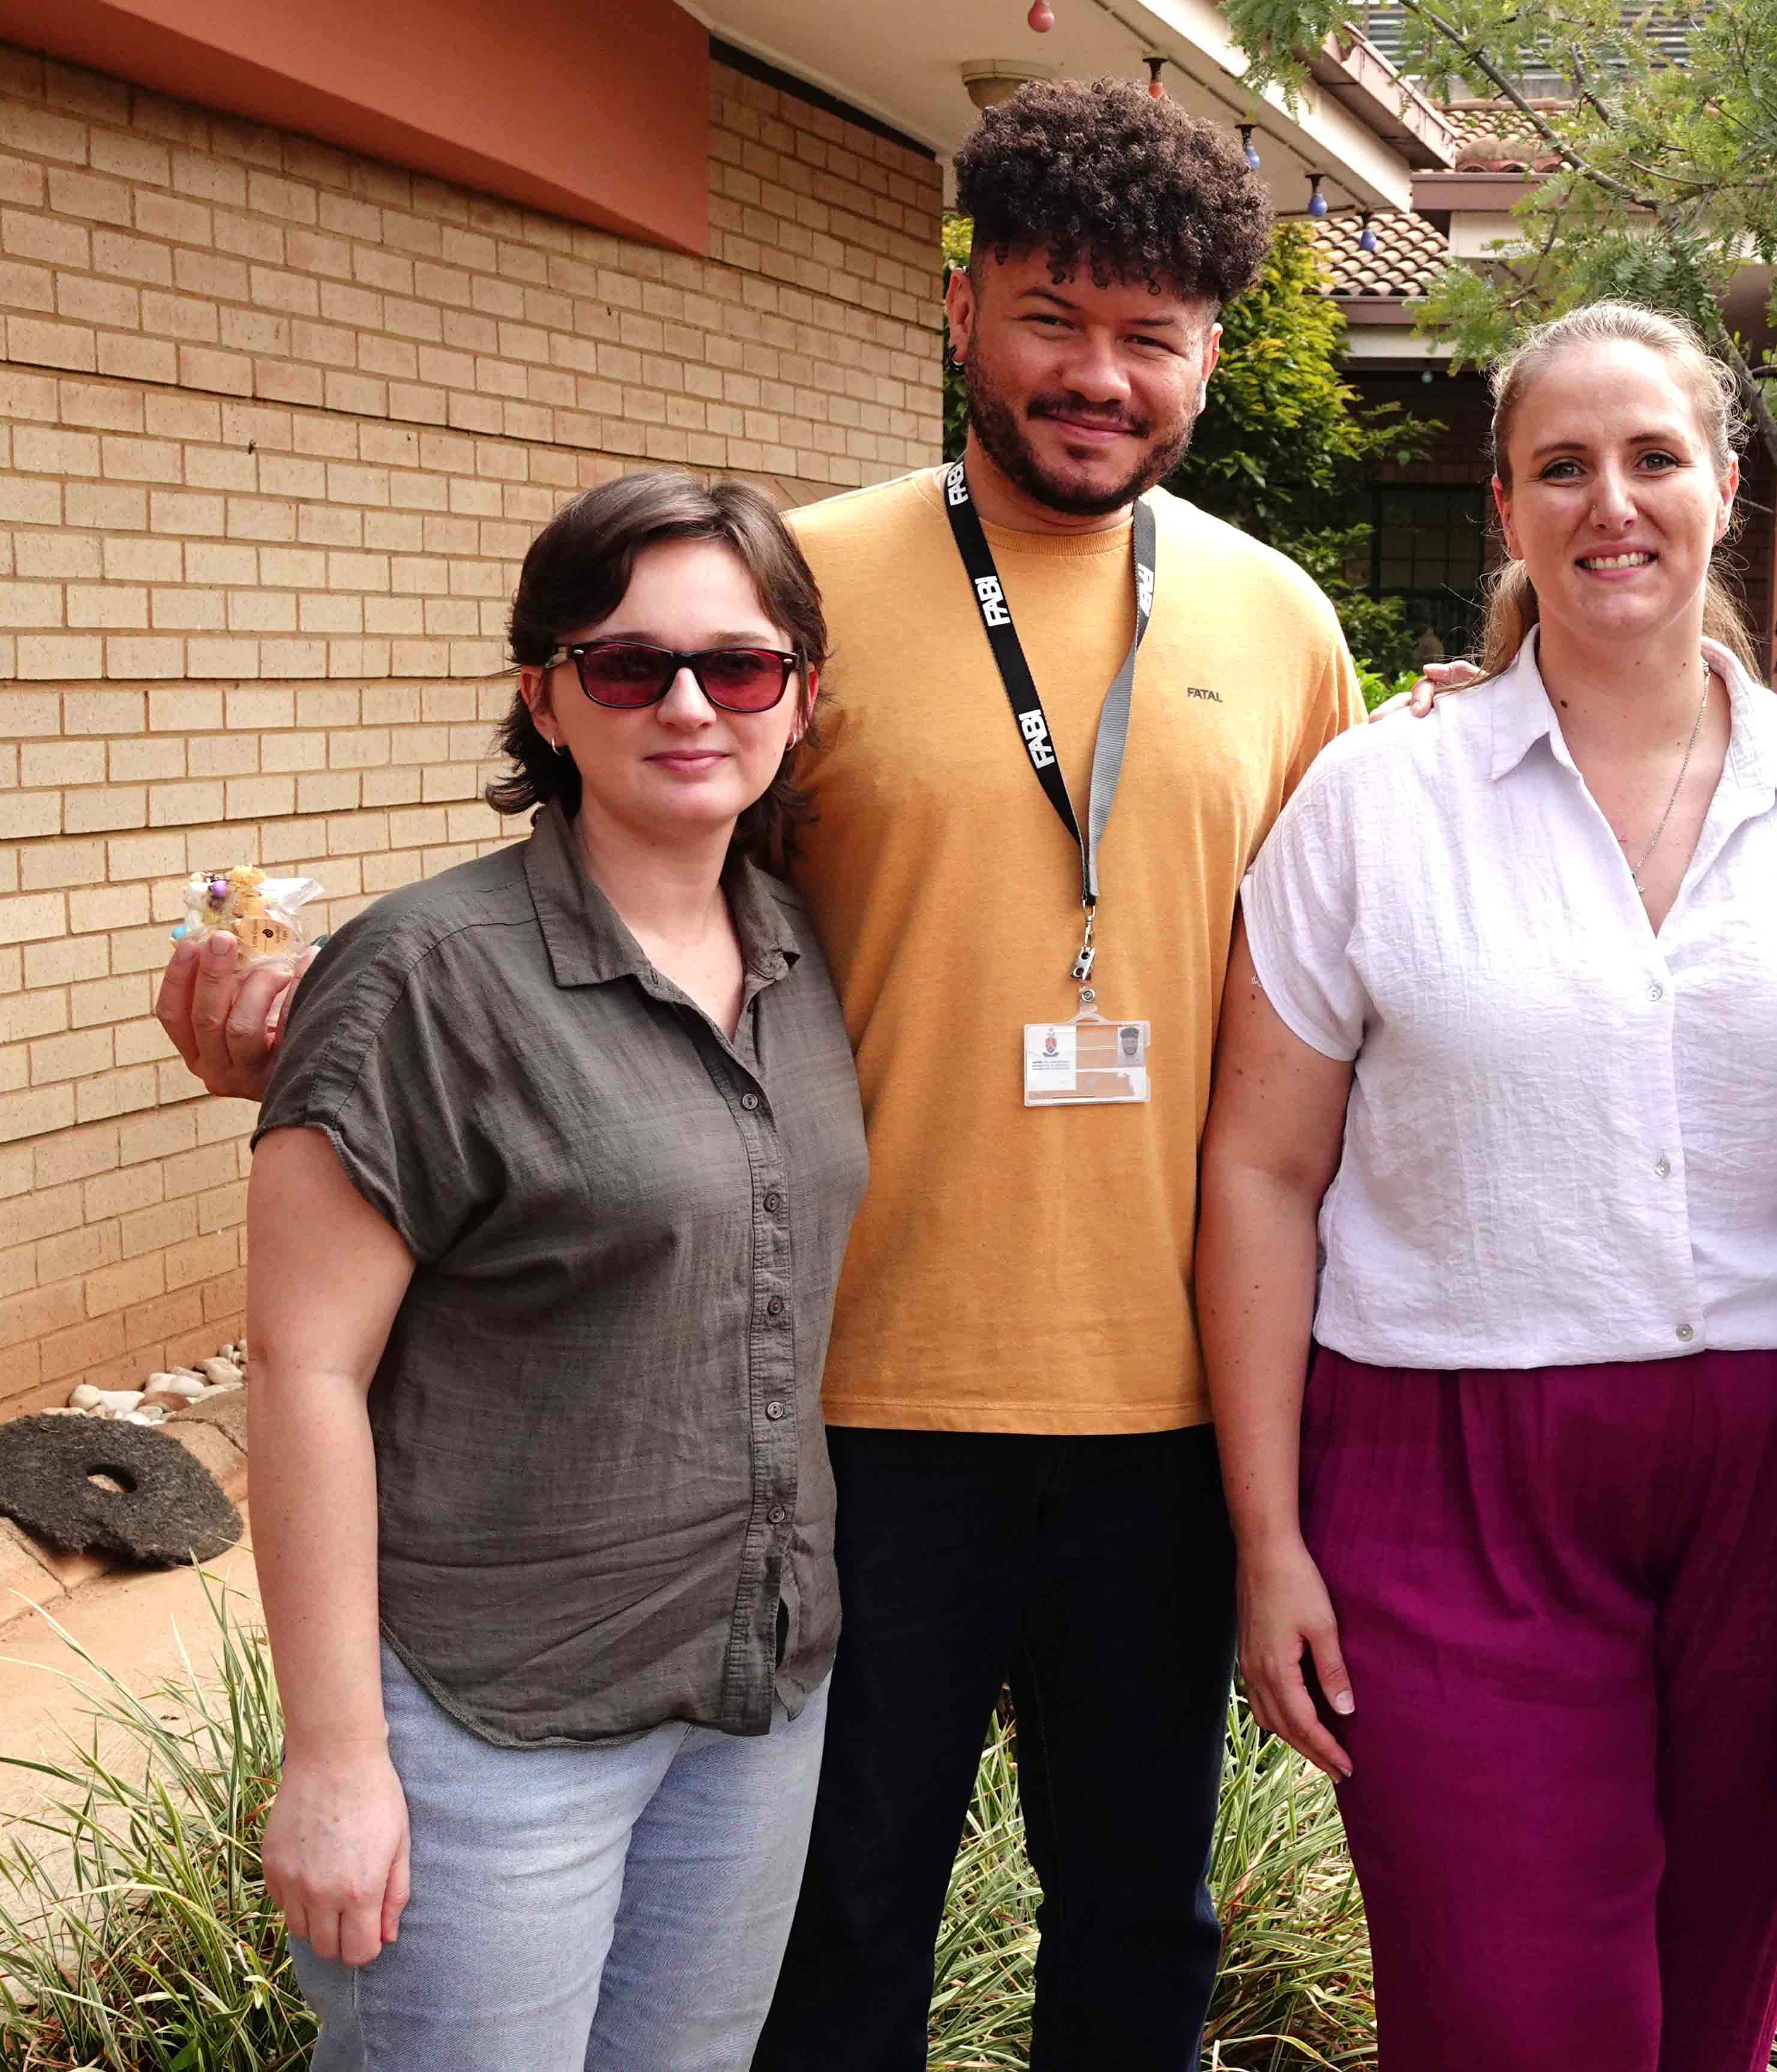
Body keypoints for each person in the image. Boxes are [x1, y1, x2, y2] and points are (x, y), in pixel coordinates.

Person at [159, 80, 1362, 2070]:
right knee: (841, 1935)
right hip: (839, 1405)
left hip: (1167, 1408)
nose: (1098, 372)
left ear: (1209, 359)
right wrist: (312, 1046)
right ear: (961, 309)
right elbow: (618, 891)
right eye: (1052, 315)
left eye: (1151, 335)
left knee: (1143, 1919)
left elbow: (1331, 1010)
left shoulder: (1283, 623)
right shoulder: (794, 593)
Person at [1197, 303, 1777, 2071]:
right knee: (1511, 2015)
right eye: (1562, 466)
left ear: (1724, 483)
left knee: (1709, 2009)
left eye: (1654, 456)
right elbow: (1261, 1169)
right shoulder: (1378, 800)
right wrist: (1268, 1539)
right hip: (1445, 1471)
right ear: (1505, 506)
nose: (1614, 501)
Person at [244, 471, 867, 2067]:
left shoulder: (803, 950)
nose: (688, 704)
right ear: (545, 695)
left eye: (738, 666)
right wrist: (335, 1756)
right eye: (628, 663)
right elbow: (304, 1369)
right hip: (491, 1722)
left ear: (800, 694)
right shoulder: (423, 973)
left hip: (747, 1698)